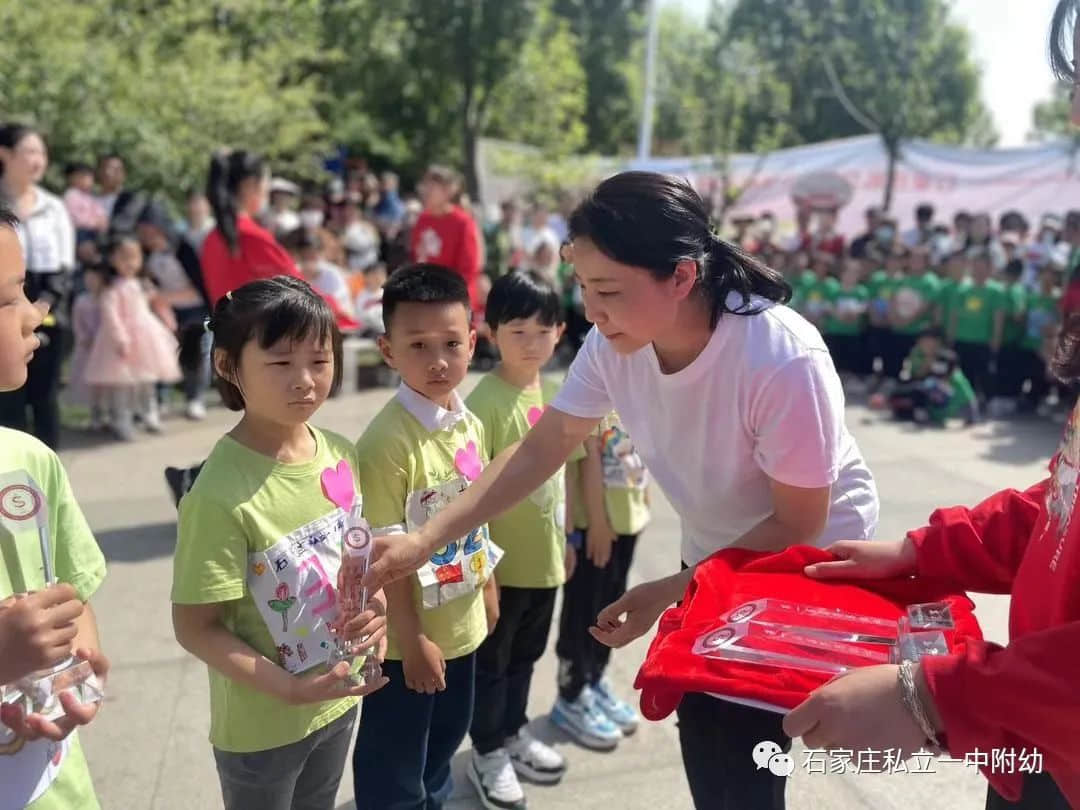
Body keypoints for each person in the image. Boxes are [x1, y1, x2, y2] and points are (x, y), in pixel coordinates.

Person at [359, 172, 880, 810]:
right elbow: (540, 449)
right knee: (718, 743)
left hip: (807, 568)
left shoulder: (781, 358)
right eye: (583, 288)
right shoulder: (615, 344)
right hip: (719, 554)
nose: (590, 312)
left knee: (745, 745)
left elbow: (799, 522)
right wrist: (425, 540)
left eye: (607, 290)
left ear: (683, 276)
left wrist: (668, 592)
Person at [780, 8, 1080, 808]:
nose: (1076, 116)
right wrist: (922, 552)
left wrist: (932, 696)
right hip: (1044, 737)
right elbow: (1061, 502)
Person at [170, 277, 388, 810]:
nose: (305, 381)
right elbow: (195, 627)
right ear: (227, 365)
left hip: (339, 699)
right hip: (261, 728)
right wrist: (289, 689)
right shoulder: (219, 495)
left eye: (319, 360)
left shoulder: (339, 452)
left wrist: (377, 611)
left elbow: (356, 559)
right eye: (280, 362)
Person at [351, 265, 499, 810]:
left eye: (451, 343)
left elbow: (475, 515)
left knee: (444, 743)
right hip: (411, 640)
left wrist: (488, 585)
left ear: (472, 342)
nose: (438, 360)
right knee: (396, 758)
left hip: (463, 622)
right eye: (418, 345)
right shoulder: (386, 443)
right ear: (388, 350)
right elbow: (385, 561)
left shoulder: (470, 420)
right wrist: (409, 641)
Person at [0, 197, 110, 810]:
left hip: (52, 784)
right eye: (9, 298)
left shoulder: (29, 460)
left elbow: (71, 591)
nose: (32, 316)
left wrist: (80, 668)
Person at [464, 271, 570, 810]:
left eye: (542, 331)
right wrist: (484, 573)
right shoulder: (484, 404)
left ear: (560, 331)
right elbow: (470, 497)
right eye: (517, 331)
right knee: (494, 662)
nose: (531, 344)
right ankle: (486, 749)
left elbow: (559, 476)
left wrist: (567, 540)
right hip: (501, 570)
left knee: (527, 655)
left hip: (545, 561)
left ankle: (511, 732)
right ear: (489, 332)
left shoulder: (553, 395)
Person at [553, 408, 650, 750]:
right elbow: (588, 457)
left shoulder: (638, 382)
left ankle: (594, 678)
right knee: (586, 609)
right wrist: (596, 523)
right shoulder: (595, 381)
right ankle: (571, 693)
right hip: (598, 526)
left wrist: (644, 499)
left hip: (627, 522)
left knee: (612, 606)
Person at [0, 124, 75, 450]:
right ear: (5, 154)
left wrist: (39, 310)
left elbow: (64, 267)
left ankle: (49, 475)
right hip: (4, 311)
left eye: (42, 152)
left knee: (46, 397)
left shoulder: (54, 207)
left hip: (48, 309)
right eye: (29, 151)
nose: (38, 159)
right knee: (8, 401)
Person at [83, 234, 181, 440]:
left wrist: (168, 321)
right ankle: (122, 420)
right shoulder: (111, 288)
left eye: (134, 257)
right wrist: (120, 338)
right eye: (124, 257)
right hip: (120, 339)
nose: (130, 263)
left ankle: (149, 414)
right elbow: (110, 315)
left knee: (147, 380)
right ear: (112, 259)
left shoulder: (143, 283)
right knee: (123, 384)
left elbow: (157, 302)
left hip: (146, 336)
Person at [200, 149, 303, 308]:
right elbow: (301, 295)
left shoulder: (211, 239)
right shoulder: (250, 236)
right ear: (249, 185)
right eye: (265, 184)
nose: (266, 193)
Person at [136, 200, 210, 420]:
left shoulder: (184, 249)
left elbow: (199, 288)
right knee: (162, 353)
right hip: (165, 310)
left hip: (195, 308)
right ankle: (160, 399)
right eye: (143, 232)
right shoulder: (147, 254)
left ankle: (195, 398)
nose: (148, 237)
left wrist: (162, 296)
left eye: (151, 231)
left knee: (197, 353)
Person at [410, 165, 483, 312]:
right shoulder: (422, 219)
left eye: (432, 187)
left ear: (447, 191)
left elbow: (469, 270)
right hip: (425, 297)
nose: (426, 192)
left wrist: (446, 299)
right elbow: (416, 258)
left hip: (453, 302)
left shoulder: (463, 223)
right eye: (425, 186)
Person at [947, 248, 1006, 404]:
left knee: (984, 374)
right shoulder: (962, 289)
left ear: (989, 268)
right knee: (964, 376)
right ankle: (966, 405)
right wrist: (950, 338)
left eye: (982, 267)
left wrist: (996, 340)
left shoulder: (996, 290)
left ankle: (987, 402)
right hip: (962, 338)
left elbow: (998, 318)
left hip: (983, 341)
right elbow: (954, 316)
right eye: (975, 266)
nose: (978, 270)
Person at [68, 265, 107, 429]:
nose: (91, 282)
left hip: (105, 348)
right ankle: (95, 415)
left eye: (94, 278)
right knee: (90, 385)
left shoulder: (107, 298)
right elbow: (77, 323)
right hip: (87, 348)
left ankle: (109, 415)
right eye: (88, 278)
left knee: (106, 384)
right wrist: (84, 338)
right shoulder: (81, 300)